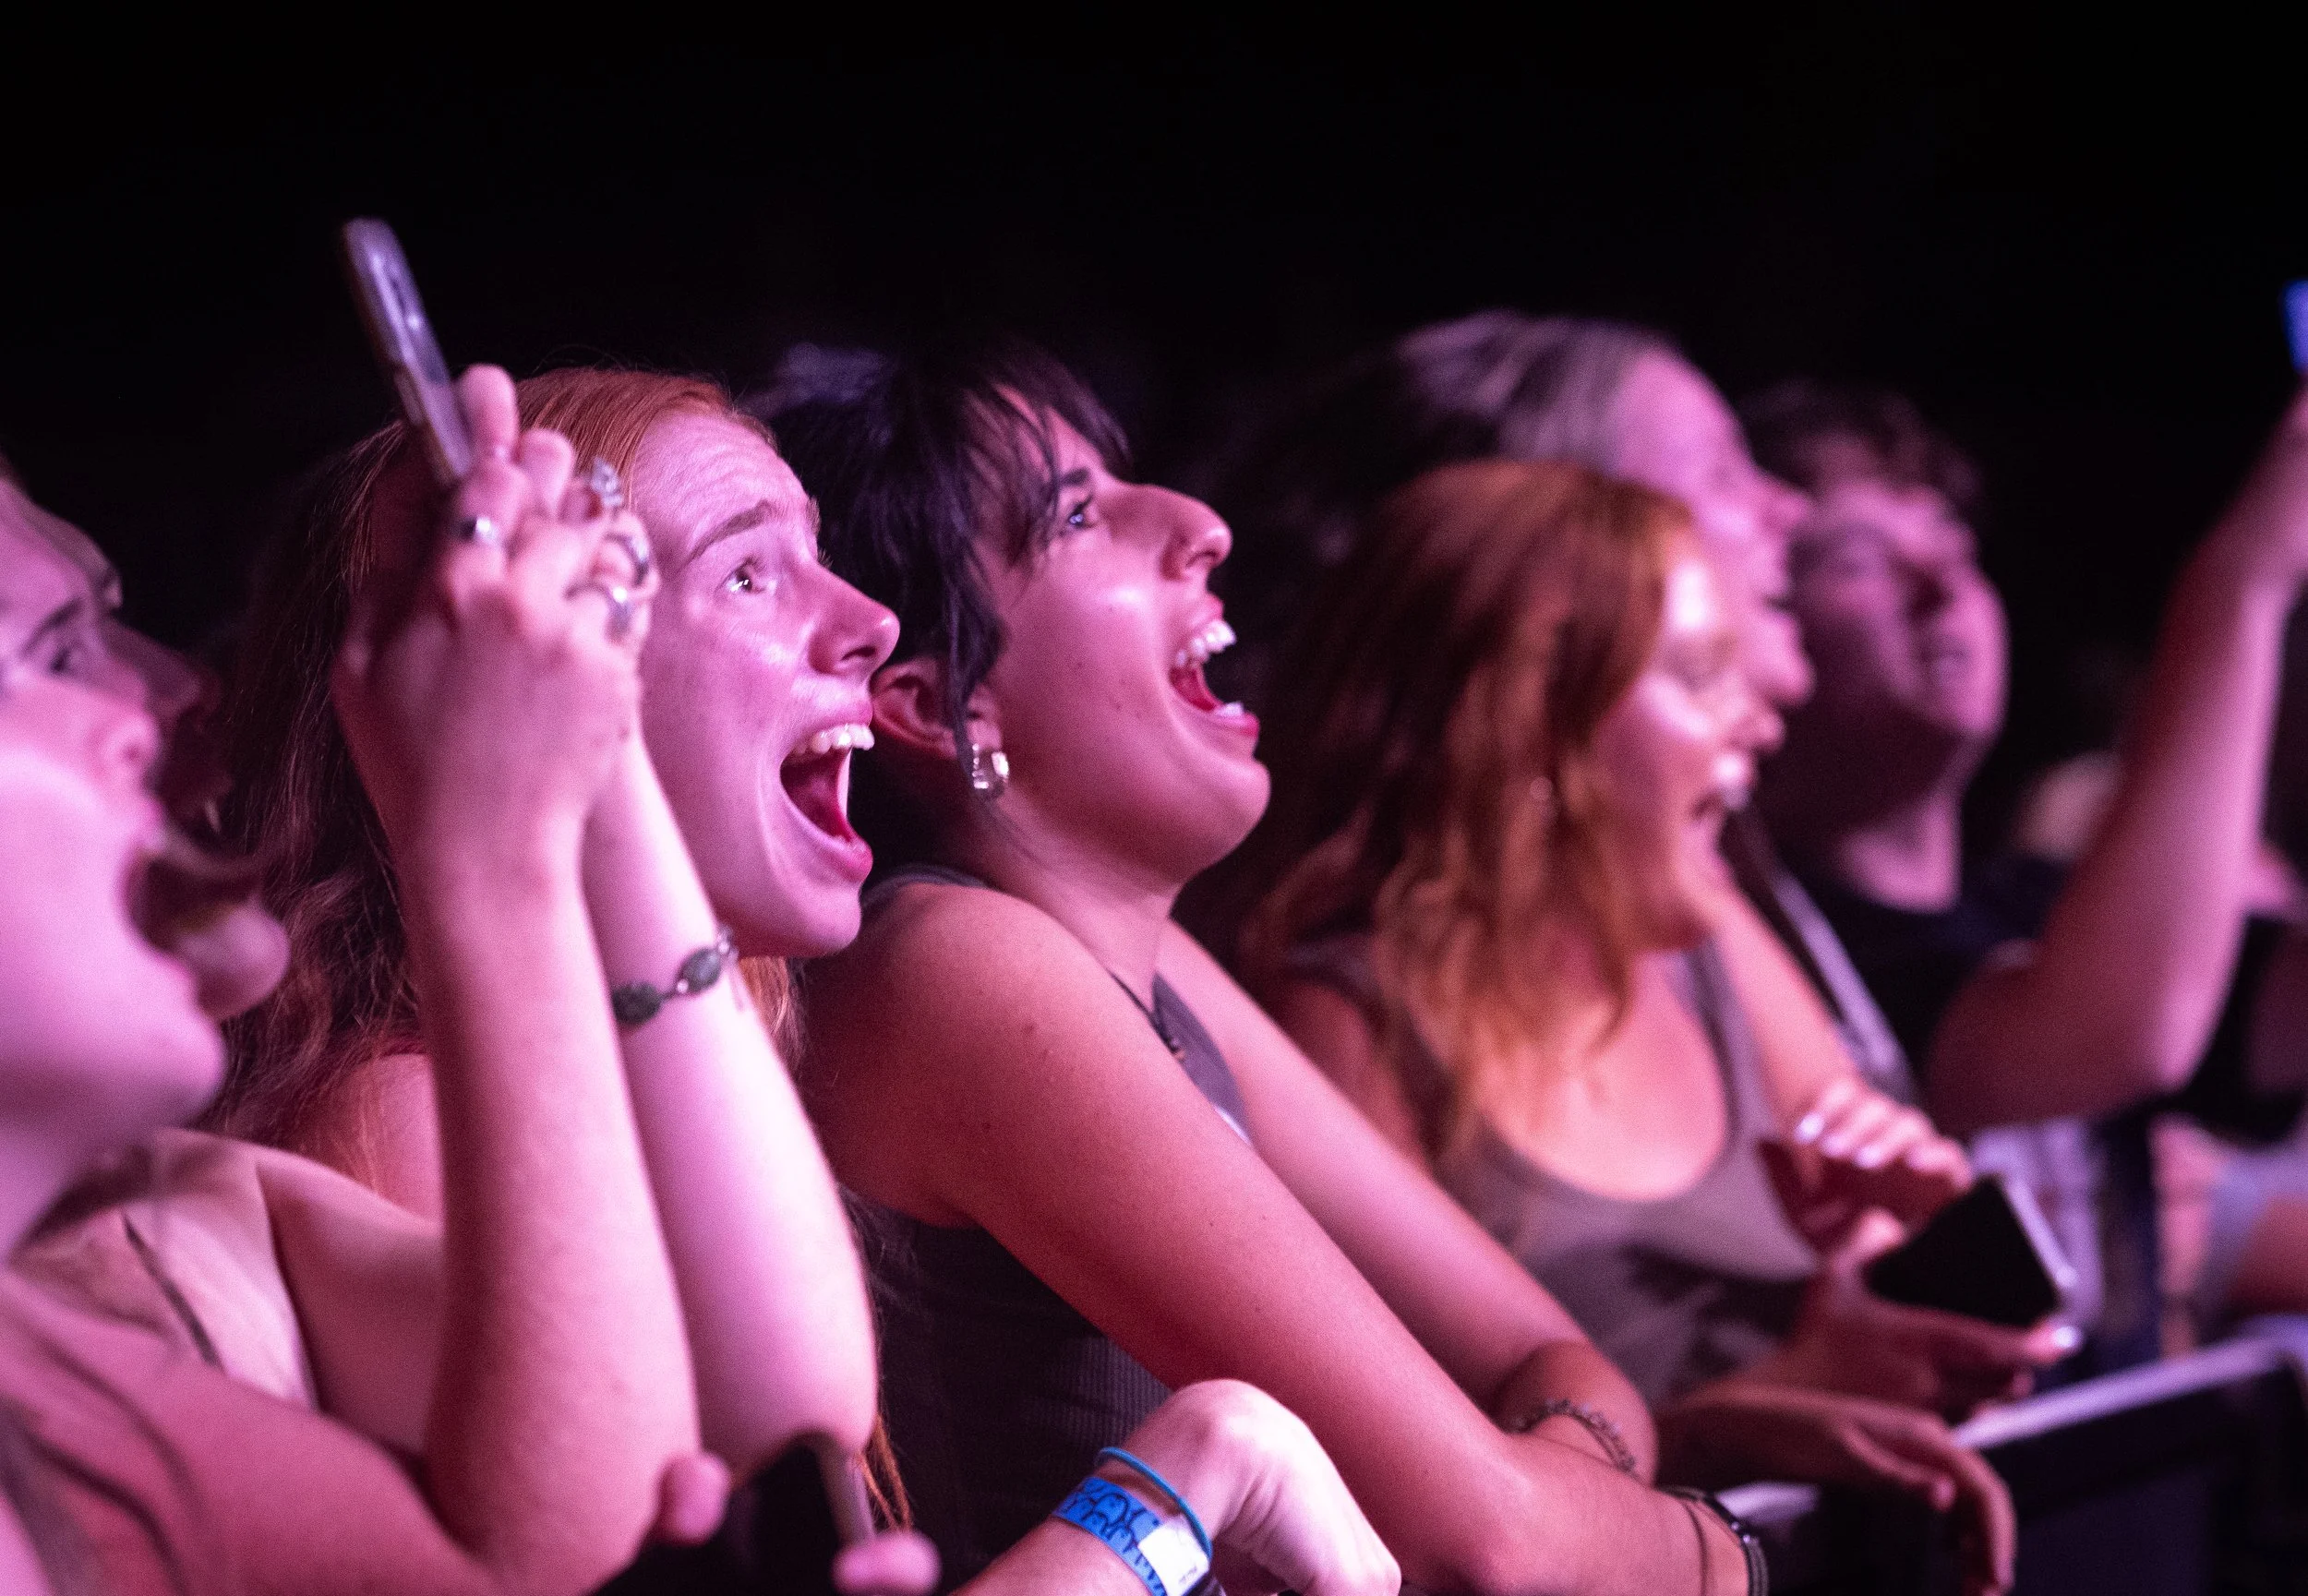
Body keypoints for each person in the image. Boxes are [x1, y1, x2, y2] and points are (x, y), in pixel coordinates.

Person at [165, 366, 1394, 1596]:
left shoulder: (714, 1066)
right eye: (748, 573)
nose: (870, 620)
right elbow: (760, 1457)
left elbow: (791, 1408)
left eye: (817, 551)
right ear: (514, 658)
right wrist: (1174, 1496)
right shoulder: (414, 1110)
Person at [769, 341, 1799, 1596]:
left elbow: (1554, 1372)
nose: (1200, 526)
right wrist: (1721, 1551)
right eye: (1078, 515)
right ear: (940, 707)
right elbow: (1496, 1544)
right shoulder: (950, 965)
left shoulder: (1153, 966)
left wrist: (1564, 1500)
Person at [1228, 456, 2013, 1589]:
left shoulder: (1714, 945)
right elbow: (1411, 1507)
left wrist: (1902, 1271)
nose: (1758, 722)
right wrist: (1725, 1426)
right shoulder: (1346, 1023)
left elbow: (1863, 1289)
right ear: (1529, 728)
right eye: (1699, 677)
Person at [0, 384, 717, 1592]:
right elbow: (548, 1560)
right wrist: (496, 844)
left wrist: (590, 761)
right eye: (58, 653)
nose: (172, 694)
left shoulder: (183, 1211)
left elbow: (693, 1424)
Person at [1748, 378, 2308, 1371]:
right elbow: (2123, 1029)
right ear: (1756, 634)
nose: (1943, 583)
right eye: (1859, 559)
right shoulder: (1789, 960)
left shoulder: (2036, 905)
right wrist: (2243, 579)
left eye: (1952, 542)